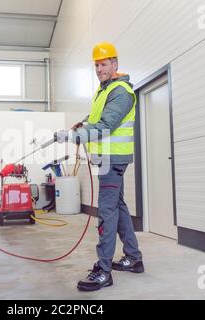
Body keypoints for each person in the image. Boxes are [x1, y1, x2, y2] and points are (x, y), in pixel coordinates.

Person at [56, 42, 144, 292]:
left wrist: (72, 137)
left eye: (103, 64)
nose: (99, 69)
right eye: (96, 65)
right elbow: (96, 118)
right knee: (119, 206)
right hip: (107, 158)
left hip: (112, 160)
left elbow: (106, 125)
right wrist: (81, 124)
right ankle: (134, 258)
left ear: (115, 64)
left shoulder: (121, 91)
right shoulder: (104, 90)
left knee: (106, 212)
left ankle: (104, 271)